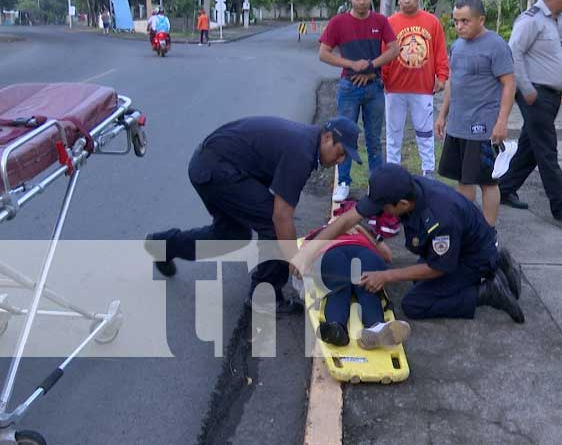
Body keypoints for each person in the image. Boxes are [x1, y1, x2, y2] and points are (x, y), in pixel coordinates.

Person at [145, 116, 362, 314]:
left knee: (232, 235)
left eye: (346, 157)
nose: (342, 160)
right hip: (217, 169)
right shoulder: (302, 153)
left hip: (212, 164)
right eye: (341, 152)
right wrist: (296, 260)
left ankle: (164, 245)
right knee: (274, 224)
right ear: (327, 137)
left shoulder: (307, 143)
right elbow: (281, 216)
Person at [294, 163, 525, 324]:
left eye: (384, 208)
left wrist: (386, 276)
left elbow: (438, 268)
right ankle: (499, 264)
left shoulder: (439, 217)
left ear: (403, 204)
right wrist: (309, 251)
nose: (379, 212)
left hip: (470, 258)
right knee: (415, 278)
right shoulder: (401, 187)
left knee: (415, 303)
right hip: (467, 241)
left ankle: (486, 291)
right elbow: (348, 219)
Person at [498, 0, 562, 221]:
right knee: (547, 148)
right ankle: (561, 204)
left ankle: (505, 188)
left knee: (531, 147)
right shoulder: (530, 21)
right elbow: (513, 53)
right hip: (535, 94)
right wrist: (527, 90)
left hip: (554, 95)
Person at [434, 0, 516, 227]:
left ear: (481, 19)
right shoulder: (457, 46)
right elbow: (452, 81)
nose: (459, 26)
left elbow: (509, 84)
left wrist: (502, 122)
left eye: (465, 21)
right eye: (456, 21)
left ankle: (489, 232)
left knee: (488, 182)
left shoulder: (497, 46)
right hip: (458, 125)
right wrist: (442, 115)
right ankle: (467, 228)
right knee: (463, 179)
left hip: (482, 127)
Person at [319, 0, 400, 202]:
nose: (362, 2)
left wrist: (371, 67)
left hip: (374, 85)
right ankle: (343, 182)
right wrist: (353, 65)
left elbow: (394, 49)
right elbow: (323, 53)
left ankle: (376, 185)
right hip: (349, 86)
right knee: (343, 136)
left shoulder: (381, 21)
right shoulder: (338, 22)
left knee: (374, 139)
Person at [303, 205, 409, 349]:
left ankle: (367, 331)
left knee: (351, 289)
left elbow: (388, 256)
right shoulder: (322, 231)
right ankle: (346, 329)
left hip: (356, 252)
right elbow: (304, 256)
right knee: (356, 290)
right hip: (338, 252)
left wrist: (362, 229)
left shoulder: (365, 231)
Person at [382, 0, 449, 179]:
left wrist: (442, 76)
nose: (407, 0)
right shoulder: (390, 22)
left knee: (425, 132)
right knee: (394, 133)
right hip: (394, 87)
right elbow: (383, 52)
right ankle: (393, 170)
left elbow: (439, 51)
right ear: (398, 0)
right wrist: (383, 79)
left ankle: (428, 170)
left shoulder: (432, 22)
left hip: (422, 88)